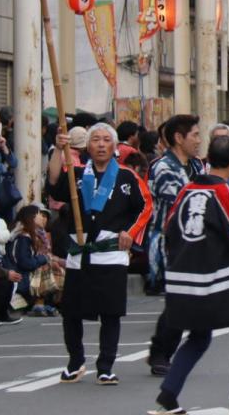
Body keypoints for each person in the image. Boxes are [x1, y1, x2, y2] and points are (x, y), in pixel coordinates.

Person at [148, 136, 229, 415]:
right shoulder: (224, 194)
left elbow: (170, 227)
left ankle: (168, 395)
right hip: (221, 278)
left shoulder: (188, 189)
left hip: (184, 276)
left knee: (198, 336)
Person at [47, 123, 151, 385]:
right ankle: (75, 361)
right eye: (96, 140)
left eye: (106, 140)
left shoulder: (127, 177)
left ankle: (106, 365)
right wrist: (59, 150)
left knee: (111, 312)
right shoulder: (77, 174)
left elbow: (146, 207)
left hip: (111, 253)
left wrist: (131, 232)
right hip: (79, 253)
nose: (101, 144)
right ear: (87, 146)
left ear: (115, 146)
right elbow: (53, 183)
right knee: (71, 312)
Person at [146, 116, 205, 376]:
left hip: (191, 242)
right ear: (179, 138)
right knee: (179, 300)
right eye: (194, 134)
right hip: (171, 242)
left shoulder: (193, 166)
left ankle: (164, 351)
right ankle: (160, 352)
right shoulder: (164, 168)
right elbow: (181, 202)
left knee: (185, 300)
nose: (198, 140)